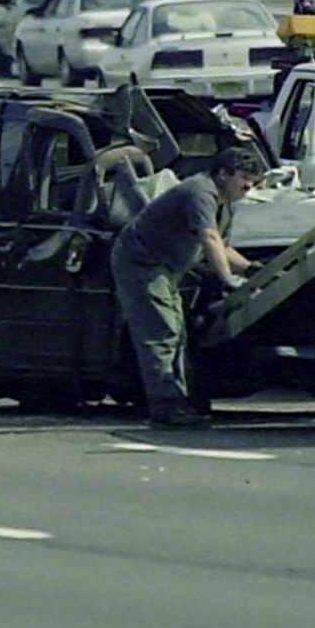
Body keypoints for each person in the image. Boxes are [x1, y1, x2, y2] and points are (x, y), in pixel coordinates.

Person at [109, 145, 258, 427]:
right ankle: (166, 408)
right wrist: (227, 279)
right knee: (161, 331)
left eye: (253, 180)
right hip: (142, 263)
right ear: (222, 174)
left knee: (177, 333)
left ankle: (182, 402)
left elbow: (222, 246)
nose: (249, 186)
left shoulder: (224, 203)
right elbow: (209, 238)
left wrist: (250, 269)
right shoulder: (200, 191)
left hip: (166, 267)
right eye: (244, 178)